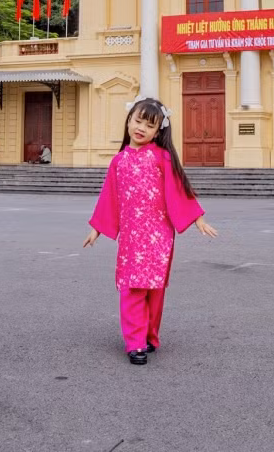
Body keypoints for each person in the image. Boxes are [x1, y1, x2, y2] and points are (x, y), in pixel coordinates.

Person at [84, 96, 218, 365]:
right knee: (133, 288)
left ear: (158, 131)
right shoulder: (118, 161)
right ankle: (135, 343)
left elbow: (179, 190)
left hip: (159, 236)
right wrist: (97, 227)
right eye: (138, 121)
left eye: (149, 125)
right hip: (132, 238)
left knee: (155, 290)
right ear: (128, 121)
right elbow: (109, 197)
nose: (141, 128)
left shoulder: (162, 158)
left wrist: (197, 218)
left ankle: (149, 337)